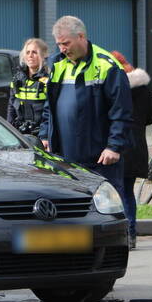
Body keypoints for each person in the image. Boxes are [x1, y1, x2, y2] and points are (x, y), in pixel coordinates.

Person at [39, 15, 132, 207]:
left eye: (66, 43)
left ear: (81, 36)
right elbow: (50, 106)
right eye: (59, 45)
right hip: (65, 157)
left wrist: (114, 146)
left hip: (99, 157)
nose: (62, 49)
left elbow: (121, 111)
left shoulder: (107, 65)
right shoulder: (57, 64)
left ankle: (124, 237)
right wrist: (45, 135)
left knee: (106, 207)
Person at [110, 50, 152, 251]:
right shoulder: (143, 87)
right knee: (127, 192)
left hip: (116, 145)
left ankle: (119, 235)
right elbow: (150, 117)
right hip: (136, 145)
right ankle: (131, 233)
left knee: (114, 192)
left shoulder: (114, 86)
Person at [6, 37, 50, 135]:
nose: (30, 55)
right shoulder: (17, 80)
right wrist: (9, 131)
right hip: (20, 133)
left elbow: (51, 113)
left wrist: (45, 135)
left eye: (34, 52)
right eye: (28, 52)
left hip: (41, 134)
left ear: (43, 56)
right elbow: (11, 107)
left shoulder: (48, 81)